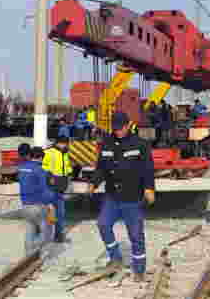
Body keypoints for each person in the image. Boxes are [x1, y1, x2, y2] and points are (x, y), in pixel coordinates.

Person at [89, 110, 155, 277]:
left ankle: (139, 269)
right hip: (112, 195)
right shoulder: (107, 143)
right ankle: (115, 258)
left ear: (128, 125)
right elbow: (101, 167)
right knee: (103, 224)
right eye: (115, 128)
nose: (118, 131)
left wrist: (149, 188)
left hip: (132, 196)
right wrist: (93, 183)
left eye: (121, 128)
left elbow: (148, 168)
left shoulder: (140, 144)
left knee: (135, 234)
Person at [0, 142, 55, 252]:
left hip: (25, 206)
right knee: (47, 232)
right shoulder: (41, 171)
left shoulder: (21, 168)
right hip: (38, 206)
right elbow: (45, 190)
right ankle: (38, 247)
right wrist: (51, 201)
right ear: (41, 158)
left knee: (30, 230)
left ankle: (28, 255)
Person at [42, 134, 73, 243]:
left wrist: (69, 174)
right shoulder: (48, 152)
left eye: (66, 144)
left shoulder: (65, 153)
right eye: (64, 143)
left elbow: (67, 166)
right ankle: (46, 236)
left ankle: (58, 236)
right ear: (58, 143)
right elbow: (44, 167)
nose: (66, 145)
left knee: (61, 212)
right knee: (49, 213)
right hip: (51, 186)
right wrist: (49, 177)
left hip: (61, 185)